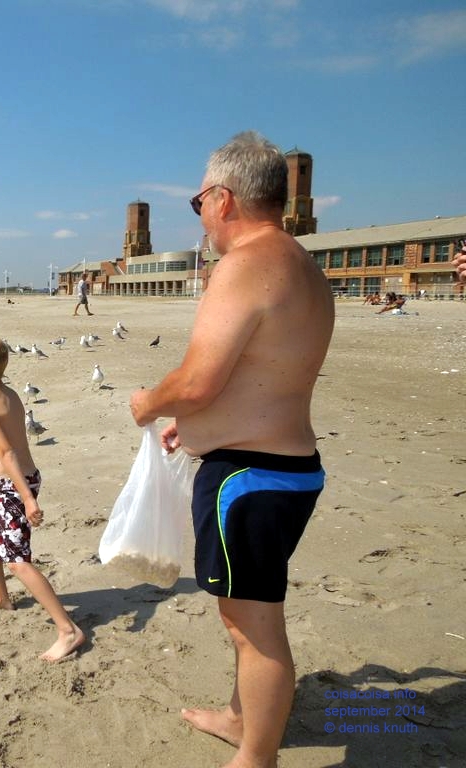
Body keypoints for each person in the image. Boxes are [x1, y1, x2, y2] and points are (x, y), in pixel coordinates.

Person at [128, 132, 334, 768]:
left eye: (197, 203)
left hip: (249, 481)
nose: (202, 218)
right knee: (247, 616)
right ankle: (243, 718)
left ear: (222, 198)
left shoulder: (243, 265)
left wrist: (149, 403)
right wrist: (194, 428)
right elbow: (263, 377)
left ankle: (256, 758)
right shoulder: (303, 266)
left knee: (255, 629)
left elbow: (197, 380)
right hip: (291, 470)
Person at [0, 334, 85, 662]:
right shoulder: (10, 393)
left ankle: (68, 630)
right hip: (20, 482)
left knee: (18, 562)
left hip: (16, 486)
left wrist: (27, 499)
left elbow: (7, 452)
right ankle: (2, 598)